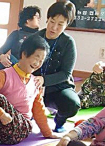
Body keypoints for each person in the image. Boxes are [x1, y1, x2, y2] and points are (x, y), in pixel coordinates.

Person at [32, 1, 79, 133]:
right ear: (47, 19)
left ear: (66, 25)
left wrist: (44, 80)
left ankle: (59, 120)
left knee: (72, 104)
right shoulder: (36, 38)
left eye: (60, 24)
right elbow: (24, 62)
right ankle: (28, 116)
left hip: (58, 87)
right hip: (33, 86)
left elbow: (65, 73)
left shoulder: (68, 43)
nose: (54, 27)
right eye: (52, 22)